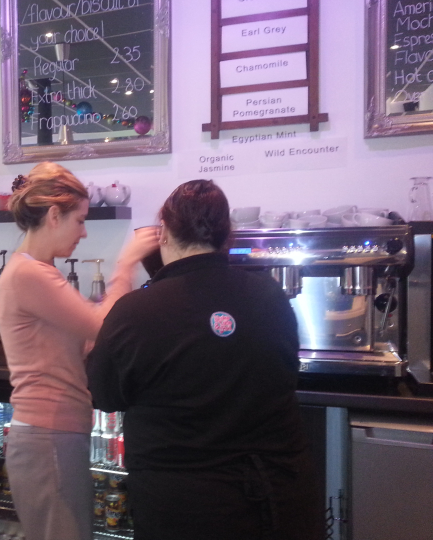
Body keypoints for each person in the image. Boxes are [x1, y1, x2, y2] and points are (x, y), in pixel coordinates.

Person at [86, 179, 323, 540]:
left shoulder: (136, 311)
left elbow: (103, 394)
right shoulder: (269, 294)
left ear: (164, 233)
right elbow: (285, 372)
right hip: (279, 498)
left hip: (185, 509)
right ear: (227, 234)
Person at [0, 162, 159, 540]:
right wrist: (127, 264)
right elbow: (103, 327)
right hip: (47, 437)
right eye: (80, 221)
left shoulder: (39, 270)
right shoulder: (30, 274)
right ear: (54, 216)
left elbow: (84, 338)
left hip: (52, 435)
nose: (84, 232)